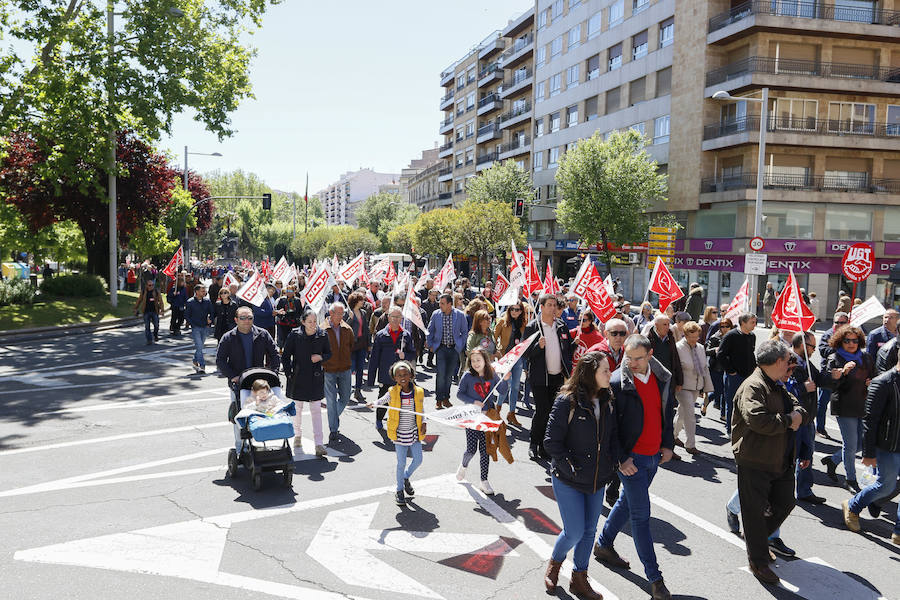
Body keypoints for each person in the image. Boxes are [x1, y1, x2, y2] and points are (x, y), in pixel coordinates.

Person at [593, 334, 675, 600]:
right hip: (631, 460)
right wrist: (621, 459)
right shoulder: (617, 382)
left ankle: (603, 544)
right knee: (641, 516)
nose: (632, 363)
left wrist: (668, 444)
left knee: (627, 503)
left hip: (654, 456)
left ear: (650, 355)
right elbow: (609, 426)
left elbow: (666, 412)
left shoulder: (662, 378)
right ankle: (655, 579)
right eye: (628, 357)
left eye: (638, 358)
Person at [731, 339, 807, 585]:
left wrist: (797, 414)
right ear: (778, 361)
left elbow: (798, 407)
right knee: (754, 512)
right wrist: (789, 420)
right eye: (788, 360)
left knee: (785, 502)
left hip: (780, 458)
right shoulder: (753, 386)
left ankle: (756, 539)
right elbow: (758, 420)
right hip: (755, 459)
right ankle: (758, 561)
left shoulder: (776, 384)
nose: (790, 364)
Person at [543, 351, 617, 600]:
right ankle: (555, 563)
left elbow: (612, 438)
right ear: (590, 374)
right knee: (574, 531)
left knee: (589, 531)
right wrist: (571, 468)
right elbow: (551, 442)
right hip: (568, 477)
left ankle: (579, 578)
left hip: (597, 479)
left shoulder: (608, 399)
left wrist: (612, 464)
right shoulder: (567, 401)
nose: (609, 374)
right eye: (605, 370)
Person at [842, 354, 900, 545]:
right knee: (886, 486)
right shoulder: (883, 382)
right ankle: (852, 506)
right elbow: (870, 420)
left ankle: (899, 531)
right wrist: (868, 453)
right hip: (887, 446)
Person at [216, 306, 280, 455]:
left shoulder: (262, 334)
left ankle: (262, 447)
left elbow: (275, 354)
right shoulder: (228, 337)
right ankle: (240, 449)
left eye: (250, 318)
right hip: (238, 385)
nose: (246, 321)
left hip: (260, 385)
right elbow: (220, 360)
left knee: (263, 415)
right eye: (243, 318)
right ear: (236, 320)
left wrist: (273, 373)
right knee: (240, 418)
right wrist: (232, 376)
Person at [820, 325, 875, 492]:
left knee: (862, 443)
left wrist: (871, 382)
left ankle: (833, 460)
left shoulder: (866, 357)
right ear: (840, 341)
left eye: (855, 340)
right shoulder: (835, 358)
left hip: (863, 404)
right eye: (847, 340)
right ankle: (850, 479)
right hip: (844, 406)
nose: (851, 344)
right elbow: (828, 384)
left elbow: (875, 375)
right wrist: (842, 374)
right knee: (850, 445)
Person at [524, 294, 575, 461]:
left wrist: (574, 345)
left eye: (555, 305)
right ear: (542, 307)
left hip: (557, 377)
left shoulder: (561, 326)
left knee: (553, 412)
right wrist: (538, 347)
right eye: (549, 305)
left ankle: (545, 446)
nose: (553, 308)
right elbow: (525, 354)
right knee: (542, 411)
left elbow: (566, 350)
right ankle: (534, 443)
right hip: (540, 377)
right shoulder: (533, 327)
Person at [371, 361, 427, 507]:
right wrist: (374, 403)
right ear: (394, 378)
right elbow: (382, 400)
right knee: (401, 463)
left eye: (405, 374)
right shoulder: (392, 392)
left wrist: (424, 422)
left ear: (411, 375)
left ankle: (405, 477)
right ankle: (399, 490)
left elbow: (421, 409)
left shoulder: (418, 392)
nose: (402, 377)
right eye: (399, 375)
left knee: (418, 460)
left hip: (414, 433)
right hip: (399, 434)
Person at [456, 348, 510, 496]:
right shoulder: (467, 376)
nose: (476, 363)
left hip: (488, 418)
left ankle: (484, 481)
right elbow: (459, 394)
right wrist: (473, 402)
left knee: (485, 450)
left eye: (478, 360)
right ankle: (464, 465)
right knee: (471, 449)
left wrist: (505, 379)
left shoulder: (491, 374)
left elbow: (502, 391)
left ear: (485, 361)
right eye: (473, 360)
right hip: (472, 417)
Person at [282, 308, 332, 457]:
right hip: (298, 376)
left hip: (316, 377)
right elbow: (285, 356)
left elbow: (329, 353)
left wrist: (320, 357)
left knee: (316, 410)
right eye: (309, 321)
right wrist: (289, 374)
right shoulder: (295, 335)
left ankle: (319, 444)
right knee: (297, 409)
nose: (313, 324)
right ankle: (297, 435)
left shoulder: (322, 334)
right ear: (303, 322)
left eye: (315, 321)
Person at [787, 331, 825, 504]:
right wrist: (803, 388)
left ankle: (804, 490)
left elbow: (820, 379)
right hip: (794, 419)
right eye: (812, 347)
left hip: (807, 418)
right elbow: (785, 390)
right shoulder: (788, 361)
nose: (814, 350)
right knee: (790, 457)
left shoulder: (806, 363)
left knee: (806, 457)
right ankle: (784, 490)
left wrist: (838, 375)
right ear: (803, 345)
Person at [369, 306, 416, 429]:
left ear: (401, 318)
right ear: (388, 317)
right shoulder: (381, 335)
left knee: (401, 399)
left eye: (398, 317)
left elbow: (412, 353)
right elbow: (374, 358)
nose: (395, 319)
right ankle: (379, 419)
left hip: (402, 375)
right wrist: (371, 379)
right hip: (385, 374)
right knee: (383, 398)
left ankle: (398, 423)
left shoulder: (406, 335)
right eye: (393, 316)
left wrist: (405, 355)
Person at [675, 321, 713, 455]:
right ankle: (690, 444)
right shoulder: (678, 348)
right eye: (691, 337)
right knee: (690, 414)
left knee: (682, 412)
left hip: (696, 386)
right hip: (682, 386)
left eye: (696, 336)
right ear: (685, 335)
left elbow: (705, 368)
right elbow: (675, 368)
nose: (694, 339)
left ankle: (672, 435)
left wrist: (707, 387)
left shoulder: (701, 348)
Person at [426, 293, 468, 410]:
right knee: (441, 375)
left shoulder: (460, 315)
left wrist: (460, 345)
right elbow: (430, 330)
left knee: (449, 375)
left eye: (442, 303)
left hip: (454, 349)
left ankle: (446, 398)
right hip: (441, 348)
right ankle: (439, 399)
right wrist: (430, 344)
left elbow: (465, 331)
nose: (440, 305)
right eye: (440, 303)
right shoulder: (436, 314)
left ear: (450, 304)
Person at [717, 312, 758, 434]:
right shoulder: (731, 336)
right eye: (752, 322)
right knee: (732, 402)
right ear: (743, 323)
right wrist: (731, 371)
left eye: (755, 322)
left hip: (748, 376)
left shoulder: (752, 336)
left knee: (746, 403)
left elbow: (751, 354)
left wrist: (754, 368)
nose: (755, 325)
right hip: (734, 377)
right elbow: (721, 355)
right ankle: (730, 429)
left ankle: (743, 428)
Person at [322, 302, 354, 442]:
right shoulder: (322, 329)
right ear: (331, 313)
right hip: (329, 369)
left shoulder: (347, 329)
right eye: (338, 313)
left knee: (346, 397)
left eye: (342, 314)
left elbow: (351, 346)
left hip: (345, 368)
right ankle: (333, 429)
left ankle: (333, 417)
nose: (341, 316)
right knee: (331, 400)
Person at [494, 301, 528, 426]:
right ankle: (497, 410)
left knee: (515, 387)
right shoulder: (503, 322)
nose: (514, 311)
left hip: (518, 358)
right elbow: (493, 337)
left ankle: (511, 413)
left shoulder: (524, 323)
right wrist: (497, 352)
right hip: (505, 358)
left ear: (521, 311)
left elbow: (526, 340)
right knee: (506, 385)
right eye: (512, 309)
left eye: (517, 309)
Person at [816, 311, 850, 437]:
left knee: (844, 404)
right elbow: (823, 351)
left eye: (842, 322)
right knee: (822, 403)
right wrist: (839, 345)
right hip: (829, 375)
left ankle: (847, 432)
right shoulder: (827, 335)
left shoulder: (851, 335)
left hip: (845, 376)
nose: (839, 325)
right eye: (837, 322)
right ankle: (820, 428)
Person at [703, 317, 732, 416]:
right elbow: (706, 351)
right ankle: (706, 403)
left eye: (727, 326)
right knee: (718, 390)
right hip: (716, 368)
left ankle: (723, 414)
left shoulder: (733, 337)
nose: (725, 328)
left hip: (728, 368)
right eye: (722, 326)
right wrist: (715, 350)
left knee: (726, 392)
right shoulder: (715, 337)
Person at [347, 291, 372, 401]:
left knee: (360, 369)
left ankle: (358, 390)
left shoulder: (363, 312)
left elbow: (366, 328)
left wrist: (369, 344)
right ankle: (346, 391)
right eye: (361, 300)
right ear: (355, 301)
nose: (363, 302)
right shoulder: (348, 312)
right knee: (350, 369)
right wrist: (350, 318)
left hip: (362, 344)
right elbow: (344, 327)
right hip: (352, 345)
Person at [184, 283, 214, 373]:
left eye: (204, 291)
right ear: (196, 292)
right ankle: (202, 365)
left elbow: (212, 312)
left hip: (205, 327)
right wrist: (192, 324)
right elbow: (187, 315)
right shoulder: (190, 302)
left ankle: (195, 360)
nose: (204, 292)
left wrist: (210, 319)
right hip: (196, 327)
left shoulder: (207, 301)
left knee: (200, 347)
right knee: (199, 346)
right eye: (202, 291)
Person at [134, 279, 164, 344]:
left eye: (152, 285)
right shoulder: (143, 292)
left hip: (154, 311)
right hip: (146, 311)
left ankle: (155, 335)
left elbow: (161, 301)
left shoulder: (156, 291)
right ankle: (149, 340)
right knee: (147, 326)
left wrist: (162, 310)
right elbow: (139, 300)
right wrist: (135, 308)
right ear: (147, 286)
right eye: (150, 285)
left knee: (156, 325)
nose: (151, 286)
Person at [274, 286, 301, 350]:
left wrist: (296, 319)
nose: (289, 293)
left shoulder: (297, 300)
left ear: (294, 292)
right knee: (283, 339)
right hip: (284, 323)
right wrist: (282, 314)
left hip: (294, 323)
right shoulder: (282, 300)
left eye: (290, 291)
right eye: (287, 291)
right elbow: (278, 311)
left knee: (293, 340)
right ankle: (281, 350)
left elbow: (300, 312)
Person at [421, 288, 441, 368]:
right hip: (425, 325)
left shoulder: (438, 304)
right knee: (423, 342)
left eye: (435, 295)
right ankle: (420, 355)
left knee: (432, 343)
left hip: (434, 326)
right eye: (432, 295)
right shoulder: (424, 303)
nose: (434, 297)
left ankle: (430, 360)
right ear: (429, 295)